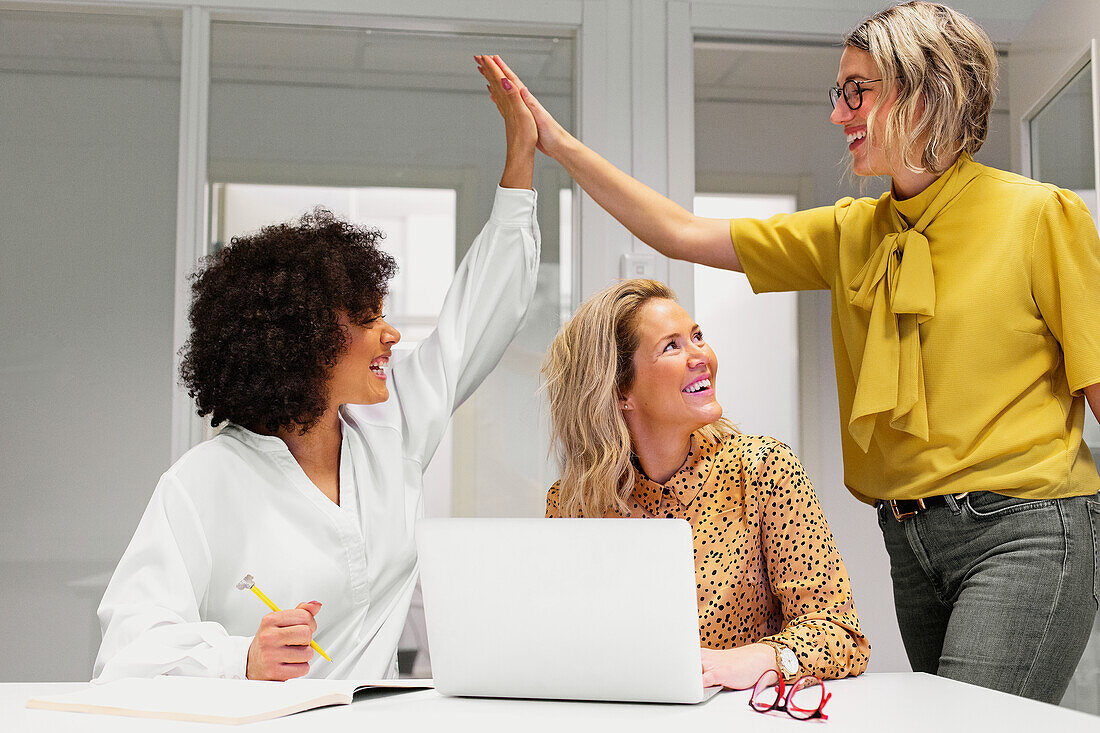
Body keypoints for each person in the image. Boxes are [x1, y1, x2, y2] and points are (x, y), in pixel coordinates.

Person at [478, 0, 1100, 704]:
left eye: (856, 92)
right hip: (909, 537)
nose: (839, 115)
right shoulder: (848, 233)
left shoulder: (1042, 216)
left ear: (925, 93)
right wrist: (556, 143)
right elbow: (680, 232)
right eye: (839, 94)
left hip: (1023, 528)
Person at [94, 59, 539, 682]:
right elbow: (125, 653)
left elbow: (478, 319)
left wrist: (520, 160)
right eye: (366, 317)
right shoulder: (202, 484)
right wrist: (241, 657)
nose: (392, 335)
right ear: (297, 339)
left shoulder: (391, 426)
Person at [543, 278, 870, 688]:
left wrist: (762, 659)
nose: (701, 355)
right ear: (620, 389)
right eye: (672, 346)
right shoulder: (573, 504)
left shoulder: (763, 470)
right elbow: (565, 642)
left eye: (697, 337)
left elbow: (840, 634)